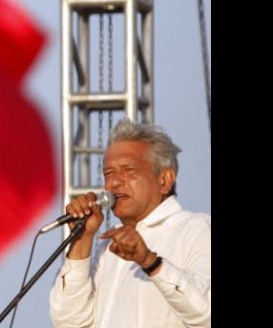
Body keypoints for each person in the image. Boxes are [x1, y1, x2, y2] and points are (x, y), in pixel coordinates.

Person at [49, 118, 210, 327]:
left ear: (164, 180)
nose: (115, 182)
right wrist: (82, 240)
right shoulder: (107, 247)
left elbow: (206, 314)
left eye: (128, 170)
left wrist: (150, 262)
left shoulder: (196, 230)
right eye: (108, 173)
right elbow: (68, 322)